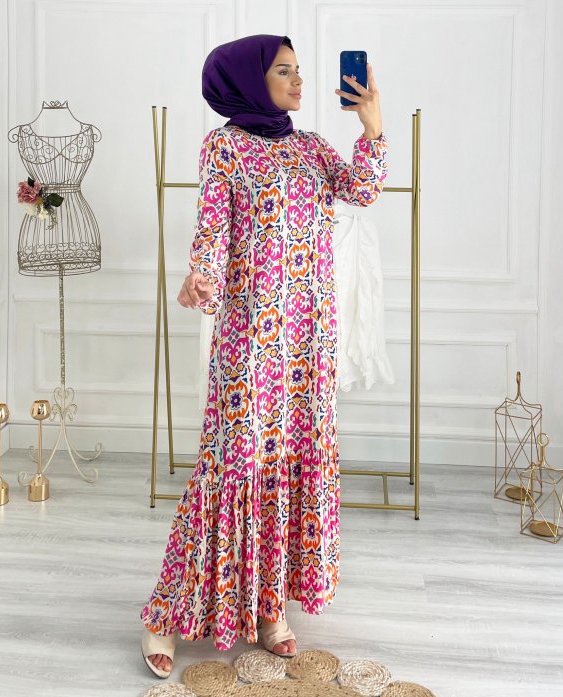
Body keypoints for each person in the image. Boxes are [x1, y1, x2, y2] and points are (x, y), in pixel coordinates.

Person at [140, 34, 387, 679]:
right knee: (233, 468)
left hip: (308, 342)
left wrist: (371, 125)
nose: (298, 81)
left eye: (300, 70)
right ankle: (165, 616)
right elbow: (212, 228)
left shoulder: (311, 147)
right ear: (249, 80)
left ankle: (270, 609)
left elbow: (362, 191)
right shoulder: (224, 147)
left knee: (286, 465)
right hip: (252, 337)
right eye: (284, 71)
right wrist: (201, 276)